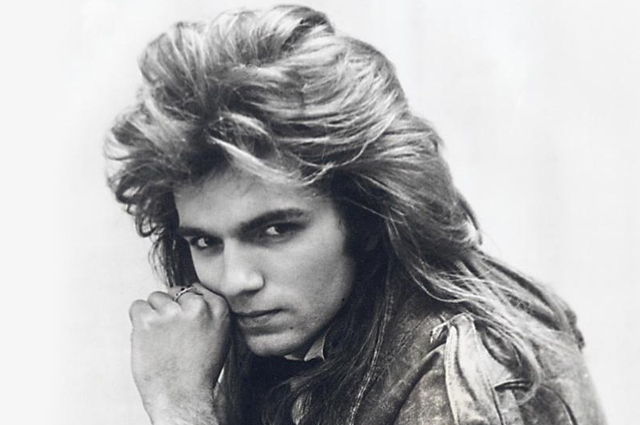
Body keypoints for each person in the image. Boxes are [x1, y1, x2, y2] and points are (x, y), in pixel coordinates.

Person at [106, 5, 606, 425]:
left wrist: (179, 407)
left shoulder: (458, 385)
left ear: (366, 215)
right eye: (205, 242)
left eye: (276, 230)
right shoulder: (304, 329)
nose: (235, 280)